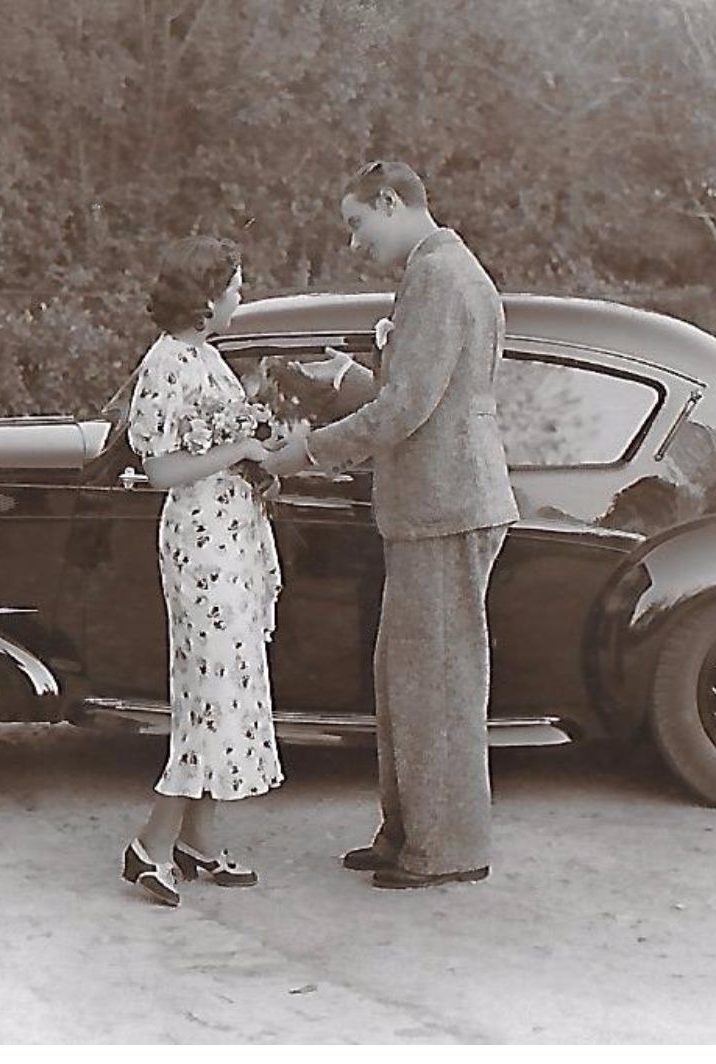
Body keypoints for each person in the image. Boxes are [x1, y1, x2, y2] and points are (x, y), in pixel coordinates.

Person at [262, 160, 518, 889]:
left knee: (434, 680)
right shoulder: (446, 272)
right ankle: (411, 832)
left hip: (444, 504)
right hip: (436, 502)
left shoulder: (437, 278)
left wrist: (301, 451)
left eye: (357, 223)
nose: (354, 242)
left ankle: (443, 850)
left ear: (391, 202)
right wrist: (348, 382)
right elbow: (423, 397)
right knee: (411, 676)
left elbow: (405, 408)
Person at [120, 236, 285, 907]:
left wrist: (252, 456)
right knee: (210, 692)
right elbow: (161, 470)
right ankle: (149, 846)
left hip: (231, 537)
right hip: (201, 544)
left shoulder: (203, 357)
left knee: (226, 687)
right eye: (235, 286)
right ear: (206, 297)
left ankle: (200, 841)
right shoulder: (166, 365)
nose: (240, 296)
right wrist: (241, 447)